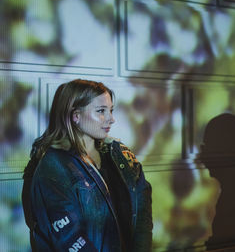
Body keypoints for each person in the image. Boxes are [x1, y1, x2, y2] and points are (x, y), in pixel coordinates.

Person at [22, 79, 152, 252]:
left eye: (111, 111)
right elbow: (69, 239)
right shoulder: (53, 168)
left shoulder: (120, 154)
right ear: (76, 116)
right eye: (101, 111)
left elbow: (142, 213)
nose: (111, 119)